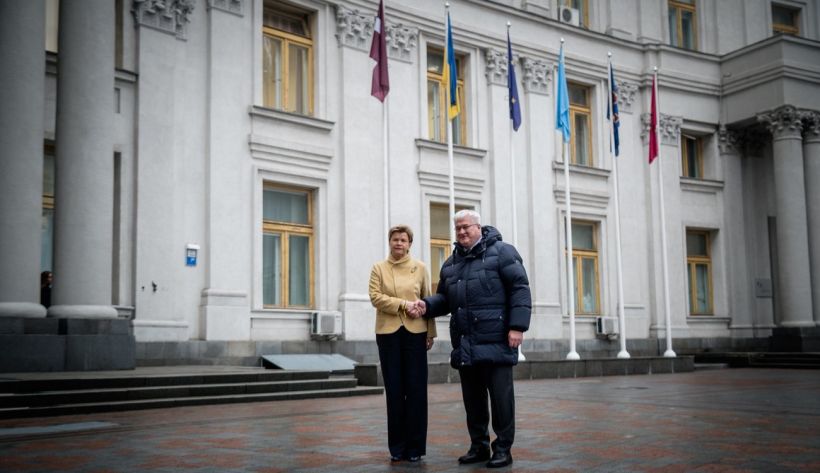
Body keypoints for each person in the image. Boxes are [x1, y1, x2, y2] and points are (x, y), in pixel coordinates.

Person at [418, 210, 531, 468]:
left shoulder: (503, 252)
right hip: (466, 344)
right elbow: (445, 299)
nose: (461, 232)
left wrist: (517, 326)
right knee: (473, 402)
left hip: (497, 341)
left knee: (501, 400)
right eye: (457, 228)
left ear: (479, 227)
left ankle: (503, 449)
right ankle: (479, 446)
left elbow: (520, 289)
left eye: (466, 227)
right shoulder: (451, 263)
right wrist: (426, 305)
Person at [368, 224, 437, 463]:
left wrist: (430, 333)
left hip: (415, 333)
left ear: (409, 244)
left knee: (416, 391)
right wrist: (403, 304)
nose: (399, 243)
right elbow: (375, 297)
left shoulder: (421, 268)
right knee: (394, 391)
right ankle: (397, 447)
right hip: (388, 334)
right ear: (390, 242)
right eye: (395, 239)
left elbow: (428, 300)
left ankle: (415, 447)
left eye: (403, 240)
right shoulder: (379, 268)